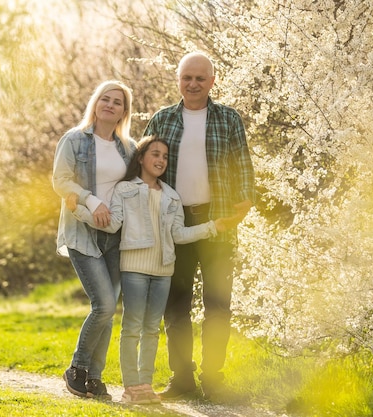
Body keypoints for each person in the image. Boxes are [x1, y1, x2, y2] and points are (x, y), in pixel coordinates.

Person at [65, 136, 236, 404]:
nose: (160, 160)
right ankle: (131, 386)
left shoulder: (171, 196)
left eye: (165, 157)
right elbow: (112, 224)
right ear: (142, 158)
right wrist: (79, 212)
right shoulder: (124, 189)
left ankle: (145, 385)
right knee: (132, 327)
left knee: (152, 329)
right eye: (155, 154)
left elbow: (178, 234)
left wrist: (213, 226)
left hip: (164, 271)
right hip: (133, 268)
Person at [142, 51, 255, 400]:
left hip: (218, 220)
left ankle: (214, 378)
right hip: (174, 224)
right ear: (178, 80)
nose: (193, 84)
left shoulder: (228, 119)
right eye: (187, 78)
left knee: (218, 304)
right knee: (175, 303)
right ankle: (182, 379)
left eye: (200, 78)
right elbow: (143, 168)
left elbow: (243, 164)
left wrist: (246, 199)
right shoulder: (162, 120)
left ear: (212, 81)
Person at [52, 80, 136, 400]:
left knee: (108, 308)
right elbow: (61, 181)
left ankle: (94, 379)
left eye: (117, 102)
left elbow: (135, 190)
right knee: (102, 304)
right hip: (82, 231)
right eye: (105, 99)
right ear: (95, 103)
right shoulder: (74, 140)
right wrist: (90, 200)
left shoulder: (128, 149)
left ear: (123, 112)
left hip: (116, 235)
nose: (110, 105)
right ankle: (77, 368)